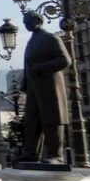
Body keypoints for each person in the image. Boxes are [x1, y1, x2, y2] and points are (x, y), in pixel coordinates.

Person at [19, 10, 72, 165]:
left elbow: (65, 60)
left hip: (50, 85)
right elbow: (27, 65)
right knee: (31, 120)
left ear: (37, 20)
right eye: (24, 22)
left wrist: (41, 68)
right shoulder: (31, 41)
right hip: (33, 88)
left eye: (27, 21)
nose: (26, 24)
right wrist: (25, 84)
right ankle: (30, 153)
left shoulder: (50, 38)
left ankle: (56, 155)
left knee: (52, 118)